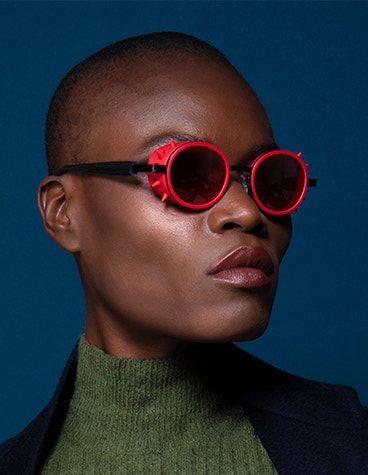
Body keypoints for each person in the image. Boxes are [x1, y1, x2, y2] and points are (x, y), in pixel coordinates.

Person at [0, 31, 367, 474]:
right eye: (188, 174)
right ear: (63, 211)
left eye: (271, 179)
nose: (247, 212)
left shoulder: (352, 448)